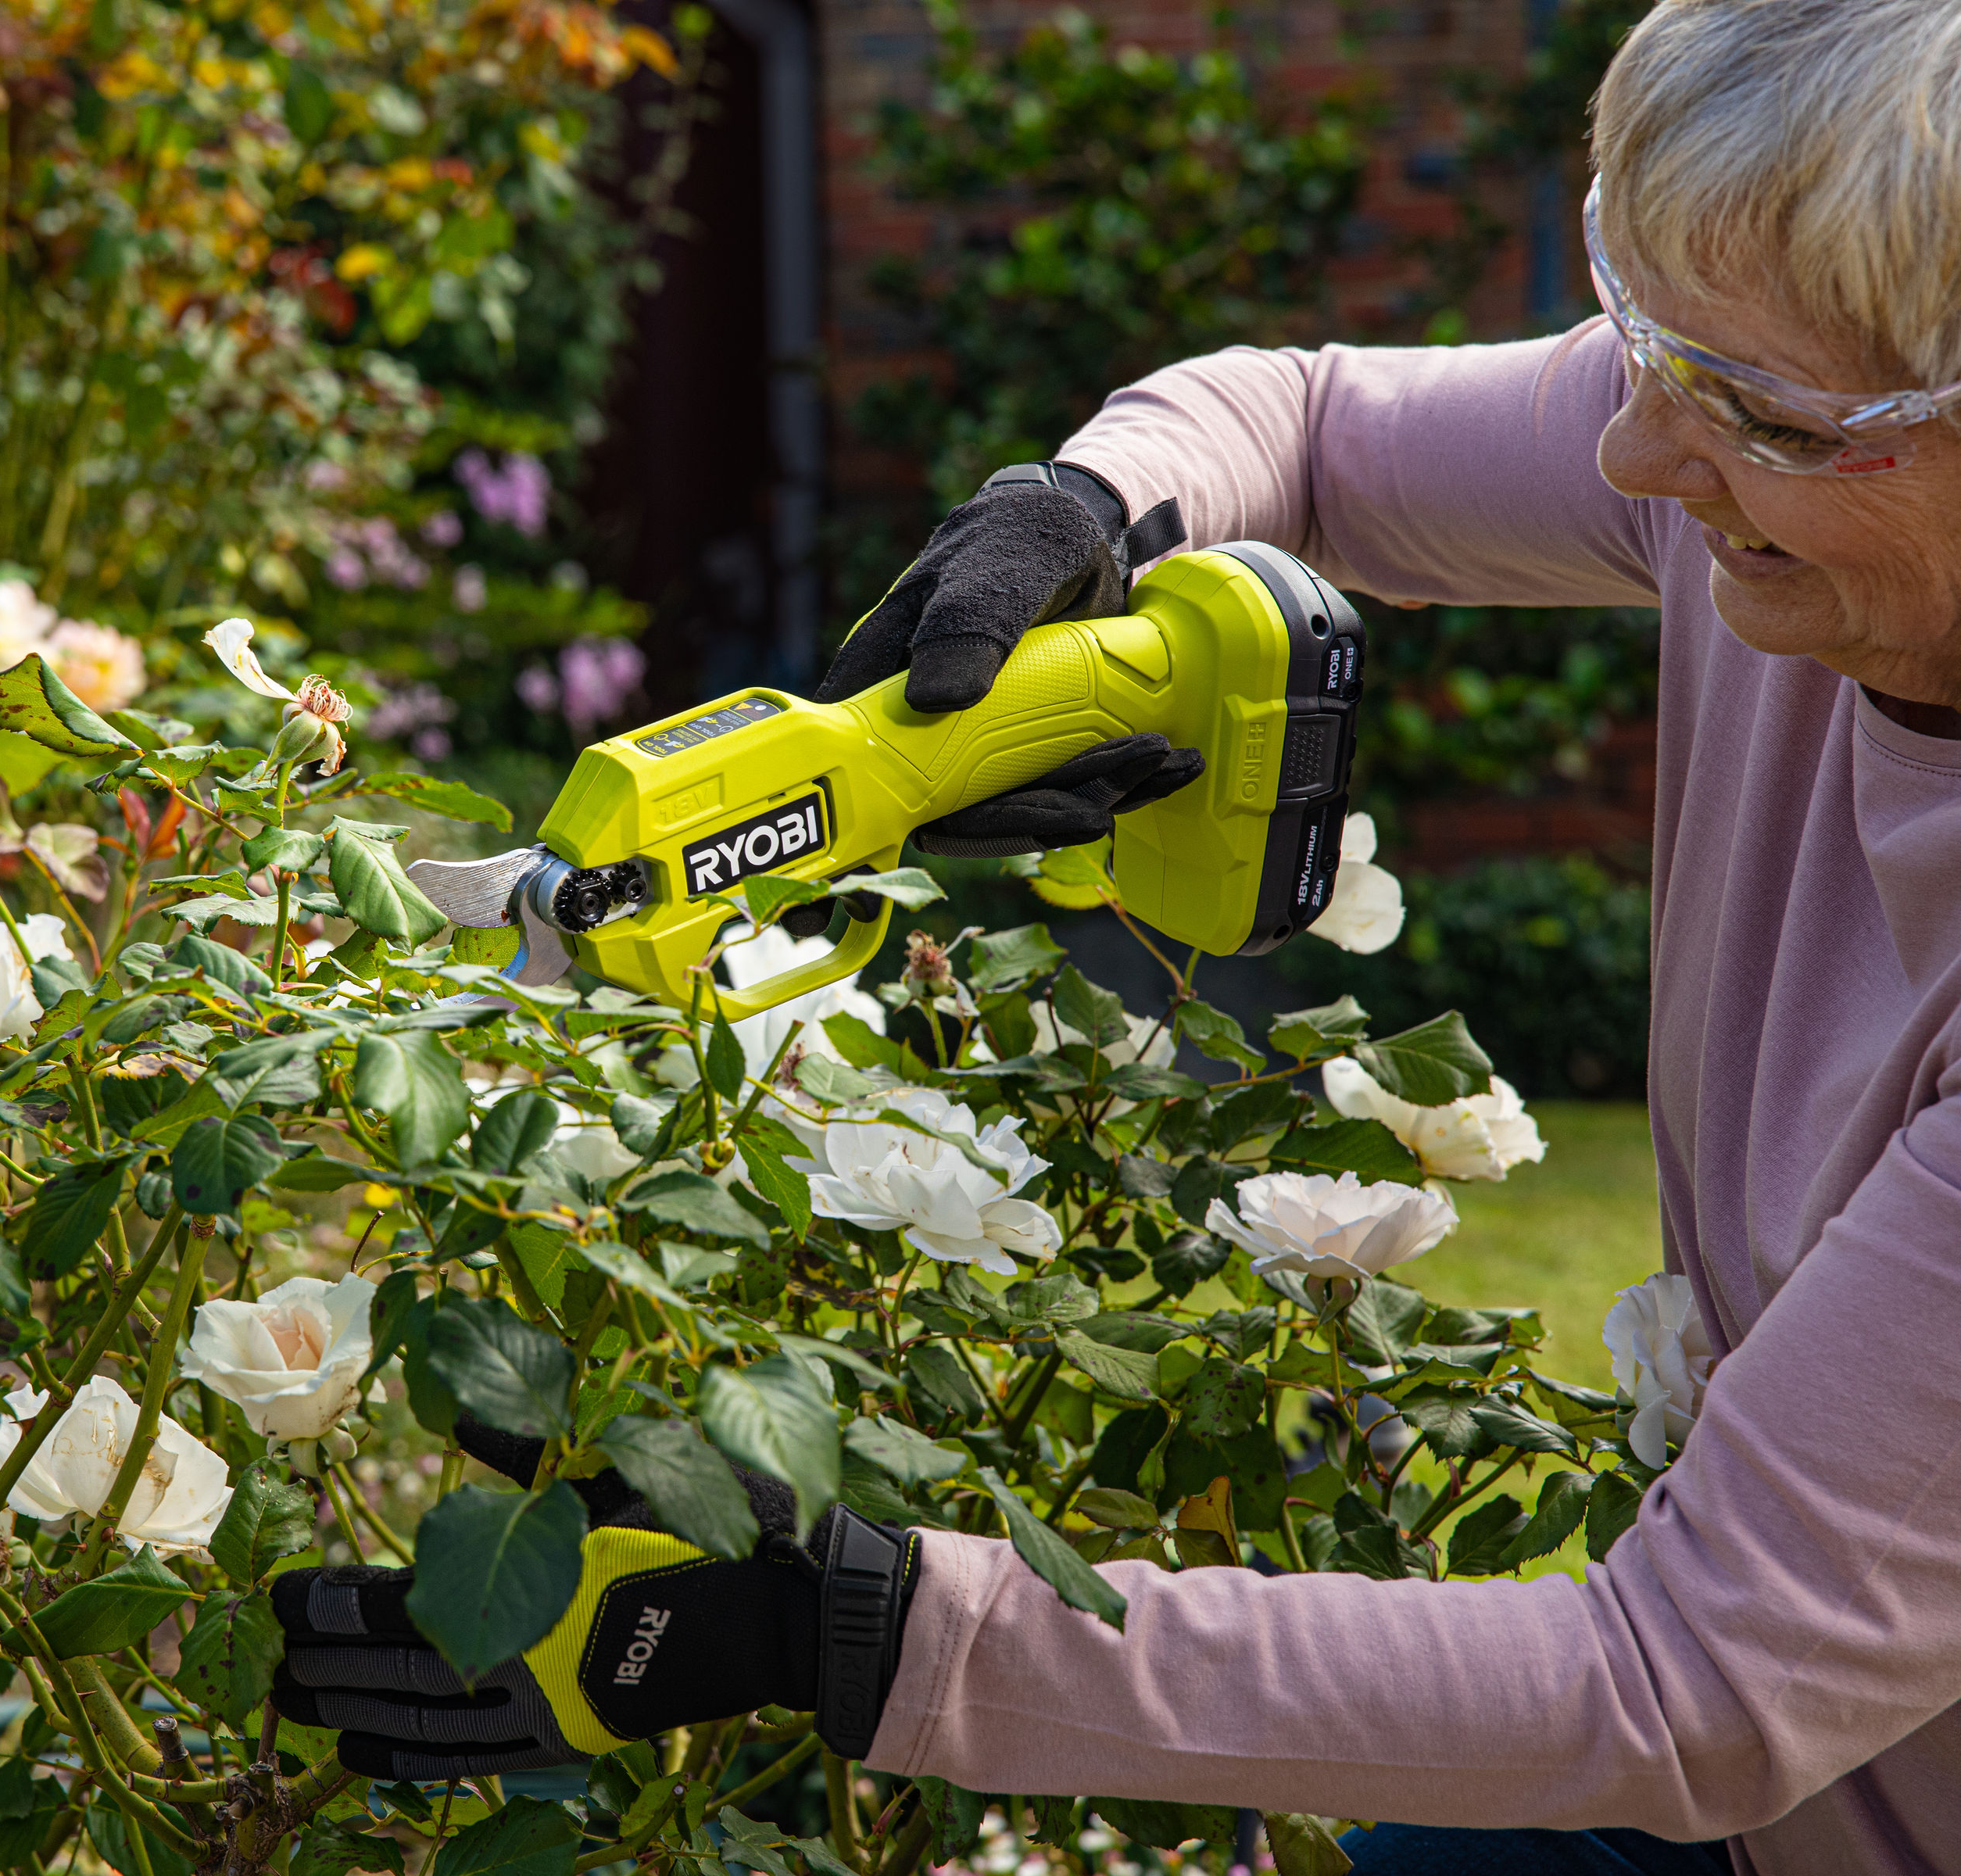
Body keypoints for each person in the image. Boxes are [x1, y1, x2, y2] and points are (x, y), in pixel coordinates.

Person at [269, 2, 1961, 1870]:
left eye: (1752, 411)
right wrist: (1076, 515)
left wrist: (844, 1623)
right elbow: (1306, 425)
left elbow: (1674, 1690)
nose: (1637, 452)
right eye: (1640, 335)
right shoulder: (1775, 498)